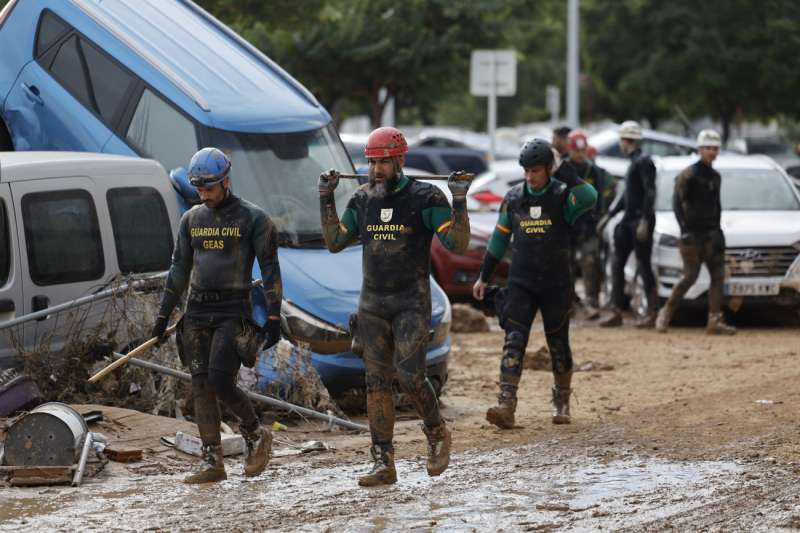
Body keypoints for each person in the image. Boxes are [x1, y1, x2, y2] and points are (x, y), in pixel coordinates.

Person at [318, 127, 472, 487]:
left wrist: (460, 200)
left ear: (400, 159)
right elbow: (335, 242)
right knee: (375, 383)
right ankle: (382, 461)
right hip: (371, 304)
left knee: (411, 376)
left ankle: (435, 433)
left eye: (383, 163)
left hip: (410, 302)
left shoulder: (426, 197)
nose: (376, 170)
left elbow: (459, 244)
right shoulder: (362, 198)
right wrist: (325, 198)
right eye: (372, 163)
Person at [151, 147, 282, 484]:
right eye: (199, 188)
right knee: (200, 385)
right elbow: (179, 269)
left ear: (226, 181)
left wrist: (273, 317)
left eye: (209, 187)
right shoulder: (191, 219)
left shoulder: (254, 219)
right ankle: (212, 460)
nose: (204, 195)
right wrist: (163, 316)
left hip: (232, 310)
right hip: (196, 310)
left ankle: (255, 434)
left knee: (221, 380)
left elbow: (270, 270)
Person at [473, 139, 597, 429]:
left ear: (549, 169)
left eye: (537, 170)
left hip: (556, 283)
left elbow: (589, 196)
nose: (530, 176)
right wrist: (484, 276)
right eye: (527, 170)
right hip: (522, 282)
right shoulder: (514, 198)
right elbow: (499, 238)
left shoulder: (564, 196)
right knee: (514, 340)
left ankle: (562, 401)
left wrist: (565, 170)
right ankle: (506, 404)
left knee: (558, 342)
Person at [656, 130, 736, 335]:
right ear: (700, 150)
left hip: (712, 235)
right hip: (692, 236)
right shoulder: (688, 174)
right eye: (708, 148)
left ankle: (714, 320)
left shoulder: (716, 176)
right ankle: (665, 313)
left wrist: (718, 233)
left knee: (718, 277)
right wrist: (684, 230)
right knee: (690, 276)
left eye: (715, 148)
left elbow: (716, 206)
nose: (712, 152)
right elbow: (676, 202)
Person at [598, 120, 658, 328]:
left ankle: (651, 313)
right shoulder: (633, 163)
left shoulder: (644, 162)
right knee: (617, 264)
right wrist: (609, 215)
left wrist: (644, 221)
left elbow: (650, 192)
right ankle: (617, 309)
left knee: (643, 264)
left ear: (626, 141)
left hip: (640, 221)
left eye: (622, 141)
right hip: (627, 220)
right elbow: (627, 196)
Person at [566, 130, 608, 318]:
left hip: (589, 225)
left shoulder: (594, 171)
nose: (580, 155)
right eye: (576, 151)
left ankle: (591, 302)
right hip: (567, 225)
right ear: (570, 149)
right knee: (566, 263)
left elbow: (600, 199)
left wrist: (598, 221)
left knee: (590, 262)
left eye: (582, 151)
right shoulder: (562, 170)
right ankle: (568, 301)